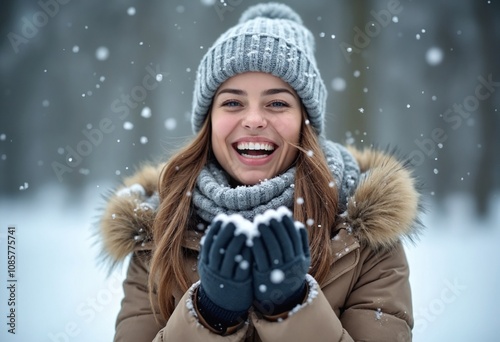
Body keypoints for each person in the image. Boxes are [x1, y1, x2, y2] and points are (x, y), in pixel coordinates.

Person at [98, 2, 423, 341]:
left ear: (305, 121)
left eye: (277, 103)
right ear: (209, 120)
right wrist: (210, 316)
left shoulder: (363, 231)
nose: (253, 119)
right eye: (233, 102)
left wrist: (294, 309)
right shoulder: (160, 223)